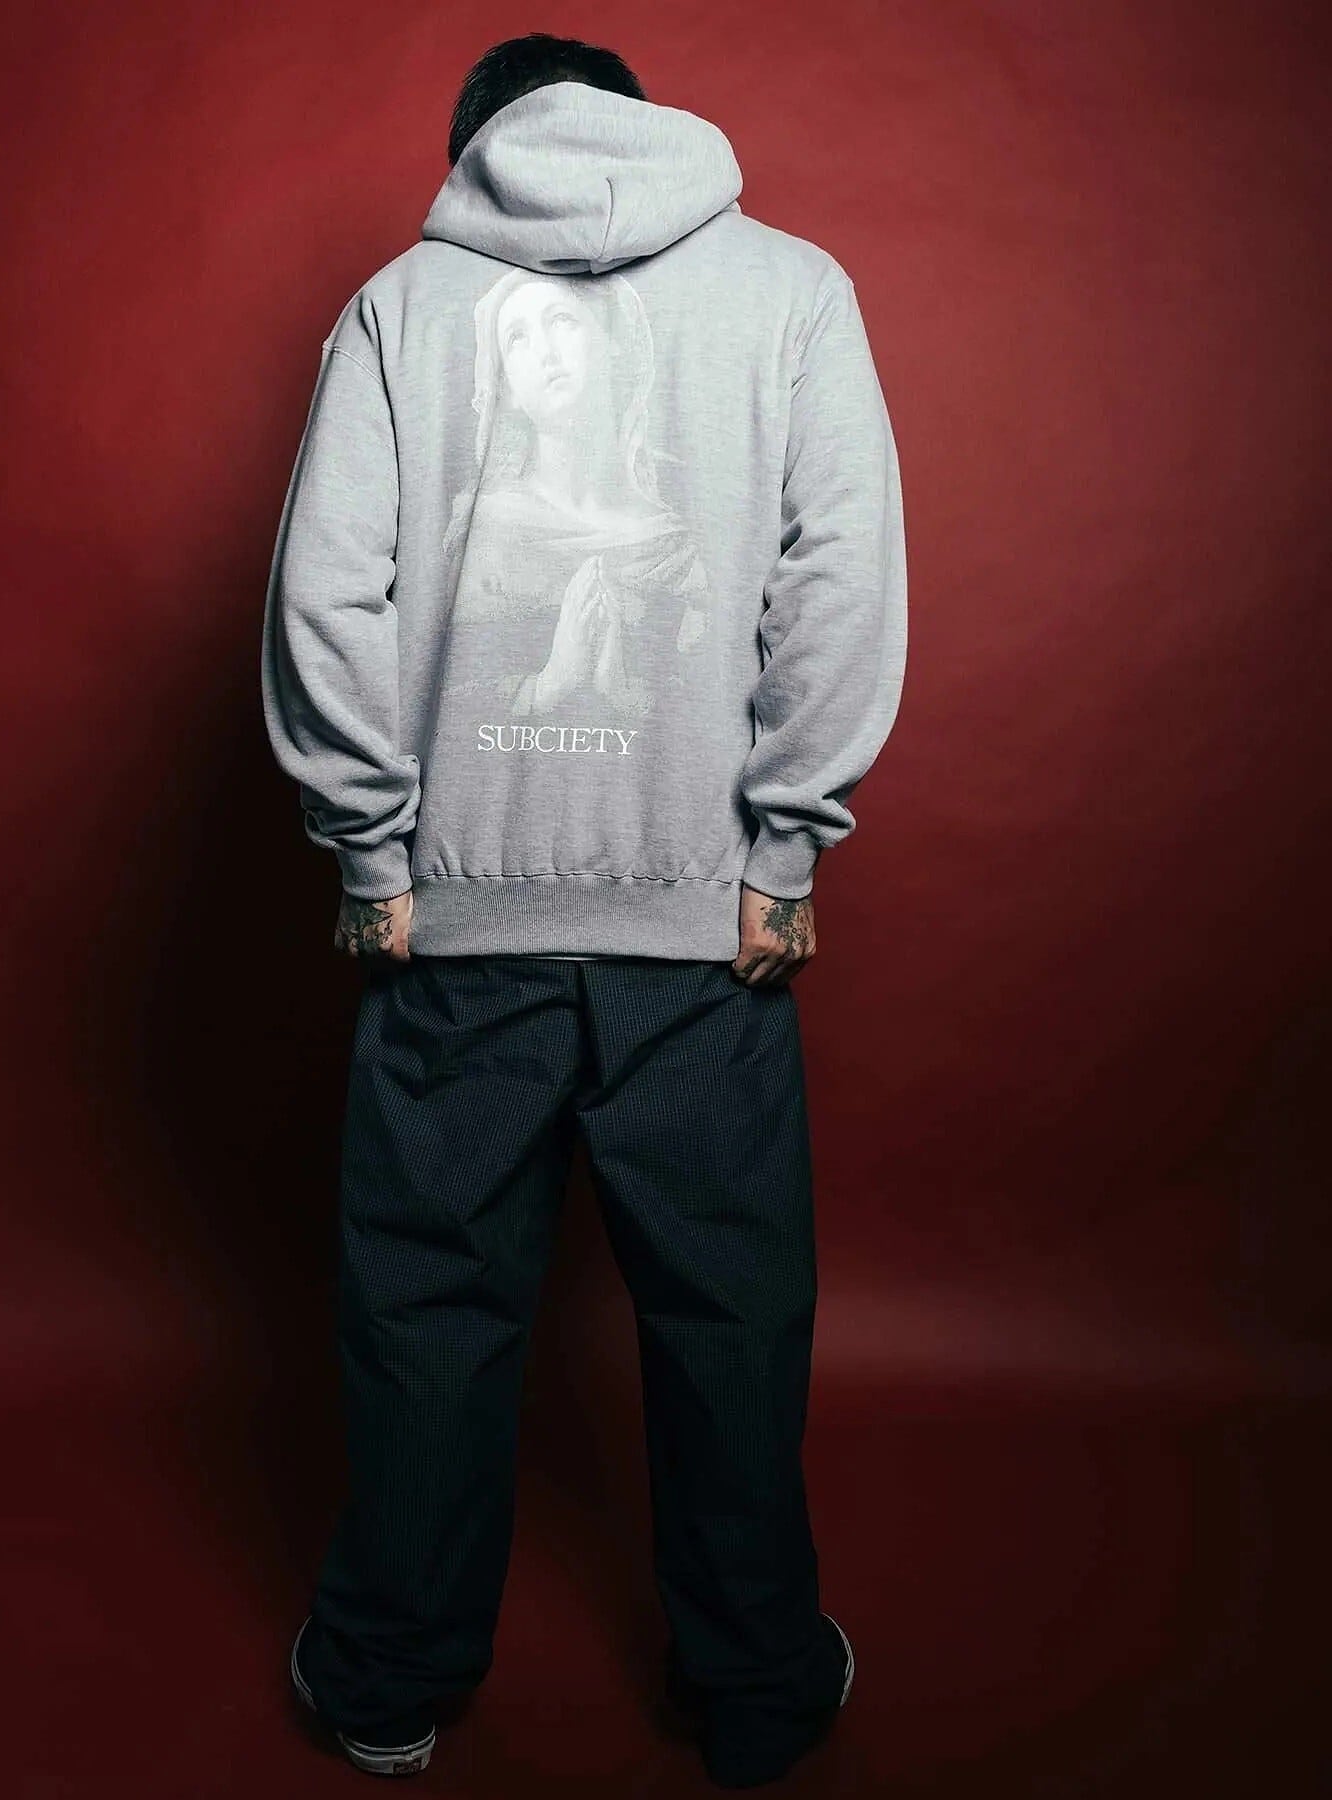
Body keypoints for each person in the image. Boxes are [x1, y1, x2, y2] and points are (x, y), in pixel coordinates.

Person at [261, 32, 907, 1789]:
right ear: (638, 119)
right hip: (705, 928)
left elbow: (326, 592)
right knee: (729, 1320)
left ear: (476, 147)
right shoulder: (792, 291)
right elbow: (841, 575)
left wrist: (372, 850)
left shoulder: (404, 304)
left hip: (454, 922)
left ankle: (386, 1678)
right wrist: (783, 850)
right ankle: (759, 1687)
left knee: (429, 1310)